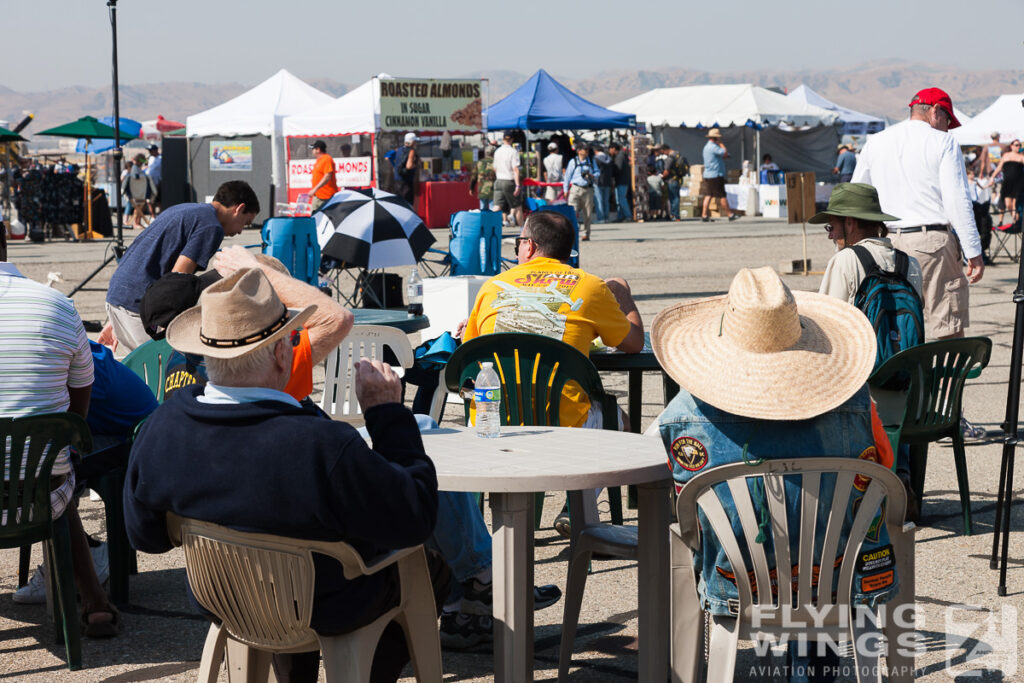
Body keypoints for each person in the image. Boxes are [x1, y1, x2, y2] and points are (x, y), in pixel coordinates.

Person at [124, 267, 450, 683]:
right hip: (323, 605)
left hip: (223, 599)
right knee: (428, 570)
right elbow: (414, 517)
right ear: (281, 355)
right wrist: (388, 415)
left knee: (300, 560)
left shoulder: (161, 428)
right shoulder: (320, 445)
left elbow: (145, 537)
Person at [651, 266, 900, 683]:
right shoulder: (856, 402)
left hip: (736, 581)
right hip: (838, 575)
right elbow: (884, 468)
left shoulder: (682, 417)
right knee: (821, 535)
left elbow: (679, 503)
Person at [0, 226, 120, 636]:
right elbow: (79, 399)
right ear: (4, 239)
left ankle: (93, 599)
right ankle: (95, 601)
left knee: (50, 466)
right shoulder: (56, 305)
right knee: (54, 469)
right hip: (43, 496)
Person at [853, 86, 987, 440]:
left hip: (885, 241)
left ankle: (890, 416)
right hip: (930, 239)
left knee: (892, 325)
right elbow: (956, 198)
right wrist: (973, 248)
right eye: (947, 121)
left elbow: (857, 194)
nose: (947, 128)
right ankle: (944, 414)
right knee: (945, 328)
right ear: (934, 113)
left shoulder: (877, 141)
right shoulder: (940, 143)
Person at [811, 182, 923, 517]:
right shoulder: (909, 263)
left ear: (851, 222)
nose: (831, 235)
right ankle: (899, 474)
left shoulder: (847, 261)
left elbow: (824, 331)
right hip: (909, 395)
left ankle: (854, 488)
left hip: (862, 396)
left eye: (832, 226)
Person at [101, 180, 259, 352]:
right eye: (246, 222)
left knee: (141, 371)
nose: (241, 231)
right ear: (239, 208)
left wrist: (118, 315)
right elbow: (177, 282)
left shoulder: (185, 209)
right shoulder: (211, 226)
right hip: (138, 307)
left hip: (118, 297)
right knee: (163, 371)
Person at [563, 142, 599, 240]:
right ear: (579, 151)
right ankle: (572, 233)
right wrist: (565, 190)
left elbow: (597, 172)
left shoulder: (591, 161)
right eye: (585, 149)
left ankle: (586, 234)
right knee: (572, 212)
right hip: (575, 189)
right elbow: (567, 177)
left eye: (587, 149)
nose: (587, 151)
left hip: (588, 189)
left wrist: (592, 176)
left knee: (587, 213)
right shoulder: (573, 162)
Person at [700, 129, 738, 222]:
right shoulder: (714, 147)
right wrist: (721, 143)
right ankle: (730, 214)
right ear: (715, 138)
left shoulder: (706, 147)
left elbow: (723, 155)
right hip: (716, 175)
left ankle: (704, 215)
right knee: (722, 195)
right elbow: (724, 152)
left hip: (708, 174)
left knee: (708, 195)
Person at [989, 139, 1024, 223]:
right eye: (1016, 145)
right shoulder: (1006, 155)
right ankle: (1015, 219)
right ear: (1011, 146)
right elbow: (999, 168)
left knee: (1015, 203)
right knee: (1008, 204)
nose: (1018, 147)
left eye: (1019, 145)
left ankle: (1015, 222)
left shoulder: (1021, 157)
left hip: (1018, 183)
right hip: (1007, 183)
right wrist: (992, 177)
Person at [492, 130, 523, 226]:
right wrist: (517, 185)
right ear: (512, 140)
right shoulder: (513, 152)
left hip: (498, 180)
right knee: (517, 206)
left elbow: (494, 168)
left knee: (497, 206)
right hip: (508, 180)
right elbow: (515, 169)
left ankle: (487, 224)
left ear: (503, 139)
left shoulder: (497, 151)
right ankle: (523, 230)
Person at [967, 168, 994, 264]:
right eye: (971, 174)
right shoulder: (965, 182)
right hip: (970, 203)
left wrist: (988, 185)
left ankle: (982, 252)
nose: (973, 176)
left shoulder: (975, 182)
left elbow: (982, 188)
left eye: (974, 174)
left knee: (983, 218)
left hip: (976, 202)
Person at [122, 154, 155, 230]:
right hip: (137, 192)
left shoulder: (136, 168)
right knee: (138, 207)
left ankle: (137, 222)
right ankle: (136, 223)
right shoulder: (135, 168)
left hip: (137, 192)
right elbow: (136, 178)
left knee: (139, 207)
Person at [308, 140, 338, 212]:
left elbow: (327, 176)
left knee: (323, 218)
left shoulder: (327, 159)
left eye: (313, 149)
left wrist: (315, 189)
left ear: (318, 149)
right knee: (314, 216)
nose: (312, 151)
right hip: (318, 196)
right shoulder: (319, 160)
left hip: (326, 196)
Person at [393, 133, 419, 205]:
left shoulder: (398, 150)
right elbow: (409, 166)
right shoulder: (411, 151)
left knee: (399, 204)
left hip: (397, 180)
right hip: (407, 183)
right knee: (408, 204)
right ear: (412, 142)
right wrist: (416, 165)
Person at [609, 142, 632, 221]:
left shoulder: (619, 157)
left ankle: (628, 216)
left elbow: (618, 169)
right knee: (620, 200)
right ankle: (620, 216)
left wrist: (611, 173)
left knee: (622, 199)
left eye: (610, 149)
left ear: (613, 149)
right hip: (623, 181)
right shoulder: (623, 156)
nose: (609, 151)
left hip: (621, 181)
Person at [659, 144, 681, 220]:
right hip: (678, 179)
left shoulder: (670, 158)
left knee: (673, 198)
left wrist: (662, 176)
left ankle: (675, 215)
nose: (664, 154)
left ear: (666, 150)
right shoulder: (678, 155)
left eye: (663, 152)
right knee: (676, 197)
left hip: (671, 180)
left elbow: (666, 171)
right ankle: (676, 215)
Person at [470, 145, 496, 211]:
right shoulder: (496, 162)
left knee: (483, 210)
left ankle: (484, 221)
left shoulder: (479, 162)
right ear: (494, 153)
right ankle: (491, 221)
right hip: (493, 190)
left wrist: (471, 188)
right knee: (493, 210)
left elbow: (473, 176)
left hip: (482, 190)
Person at [594, 145, 615, 223]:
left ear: (596, 151)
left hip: (598, 182)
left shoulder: (596, 159)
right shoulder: (609, 158)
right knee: (606, 200)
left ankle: (600, 218)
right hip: (608, 181)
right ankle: (606, 217)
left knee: (599, 200)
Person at [145, 144, 162, 213]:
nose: (149, 152)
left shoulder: (161, 158)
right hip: (149, 182)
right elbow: (145, 163)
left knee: (158, 200)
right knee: (150, 200)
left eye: (151, 151)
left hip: (157, 182)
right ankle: (153, 215)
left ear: (155, 151)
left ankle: (161, 213)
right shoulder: (150, 158)